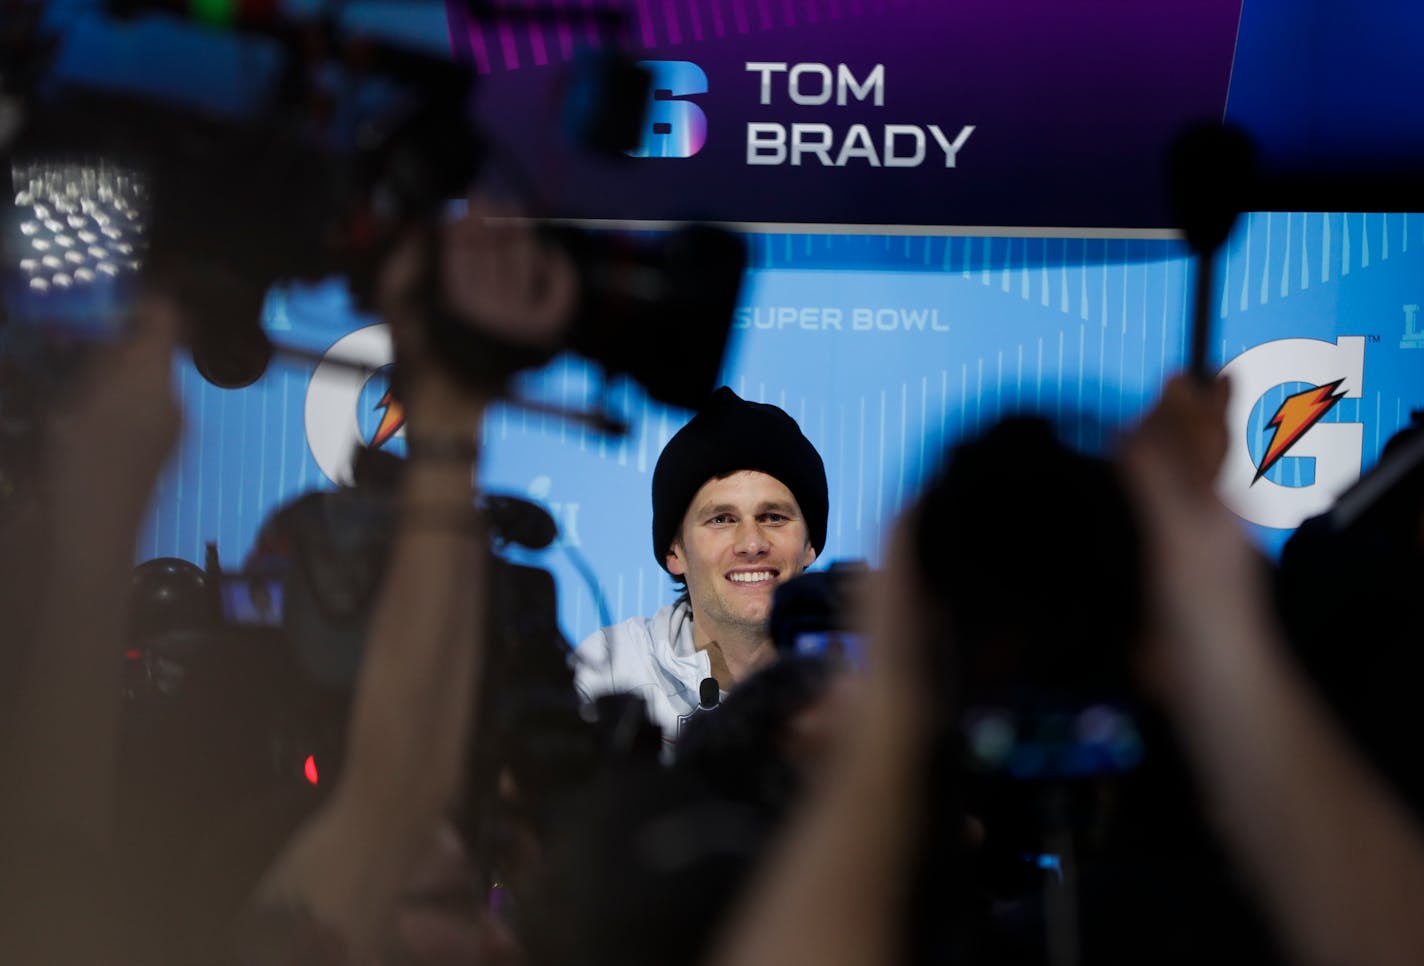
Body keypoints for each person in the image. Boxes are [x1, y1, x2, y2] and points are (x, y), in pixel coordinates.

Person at [573, 386, 829, 742]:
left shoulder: (865, 682)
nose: (752, 543)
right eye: (721, 519)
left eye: (773, 517)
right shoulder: (611, 670)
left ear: (809, 545)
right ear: (674, 552)